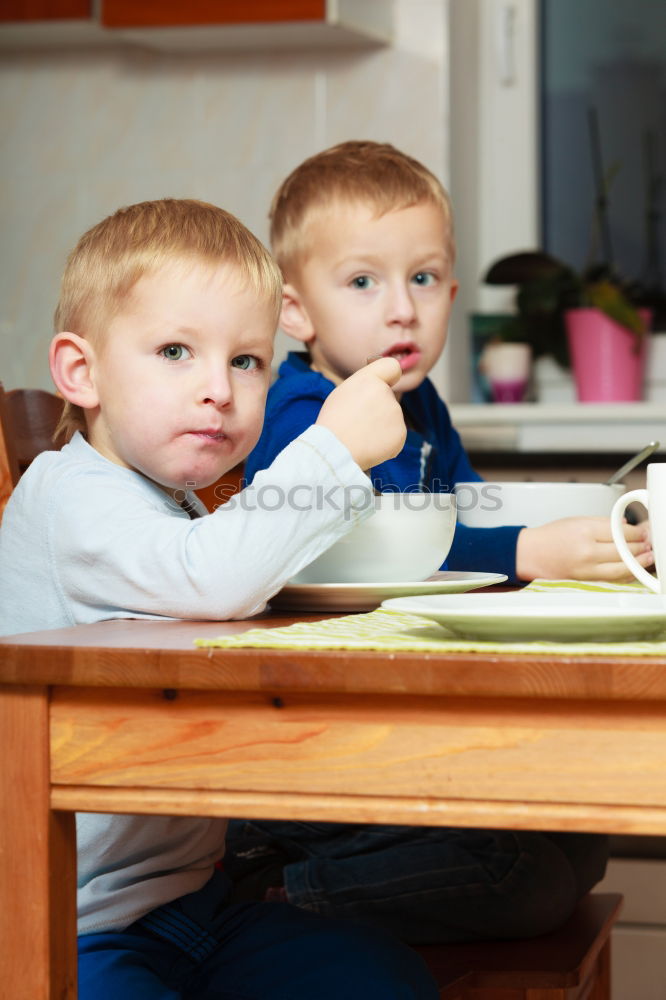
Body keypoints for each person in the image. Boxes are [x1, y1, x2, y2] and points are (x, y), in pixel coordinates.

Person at [0, 198, 439, 1000]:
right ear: (81, 371)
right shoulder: (71, 497)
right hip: (77, 922)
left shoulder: (170, 501)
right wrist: (331, 448)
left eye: (247, 361)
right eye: (175, 351)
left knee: (386, 979)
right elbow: (213, 580)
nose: (219, 390)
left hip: (190, 908)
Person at [224, 140, 634, 945]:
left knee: (582, 845)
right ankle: (266, 898)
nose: (401, 309)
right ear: (296, 312)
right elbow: (384, 544)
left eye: (422, 279)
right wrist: (527, 552)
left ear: (450, 290)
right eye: (363, 282)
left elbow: (466, 511)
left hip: (392, 726)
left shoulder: (421, 406)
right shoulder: (303, 413)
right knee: (530, 882)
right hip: (302, 747)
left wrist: (583, 524)